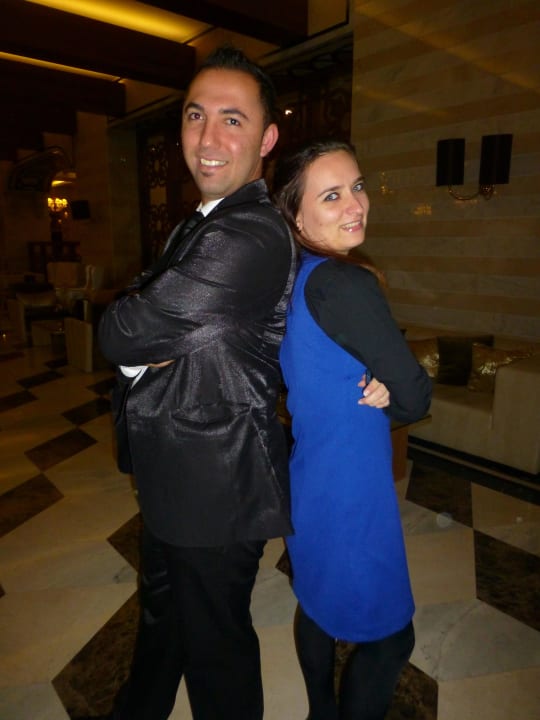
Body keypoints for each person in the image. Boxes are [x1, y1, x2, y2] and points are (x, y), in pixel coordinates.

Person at [96, 46, 295, 720]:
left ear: (267, 139)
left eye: (232, 120)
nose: (207, 138)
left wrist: (136, 339)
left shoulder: (248, 235)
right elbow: (143, 317)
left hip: (219, 484)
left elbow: (122, 331)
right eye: (194, 115)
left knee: (216, 651)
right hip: (178, 471)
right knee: (164, 620)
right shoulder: (199, 222)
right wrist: (147, 337)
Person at [272, 138, 432, 720]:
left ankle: (321, 710)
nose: (356, 204)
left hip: (309, 477)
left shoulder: (290, 279)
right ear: (296, 216)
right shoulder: (345, 283)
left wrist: (371, 386)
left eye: (357, 187)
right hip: (351, 489)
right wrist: (391, 397)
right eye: (332, 195)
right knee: (392, 639)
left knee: (316, 606)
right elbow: (415, 395)